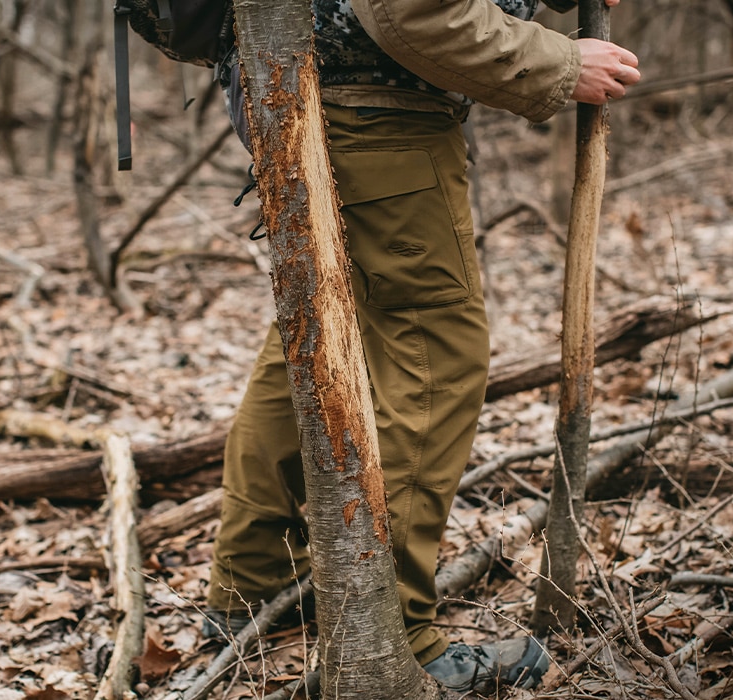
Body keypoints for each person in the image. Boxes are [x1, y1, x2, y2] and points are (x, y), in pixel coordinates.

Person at [205, 0, 640, 693]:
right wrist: (557, 62)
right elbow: (407, 9)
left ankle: (253, 593)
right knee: (436, 350)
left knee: (310, 339)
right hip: (373, 109)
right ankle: (393, 637)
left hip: (291, 86)